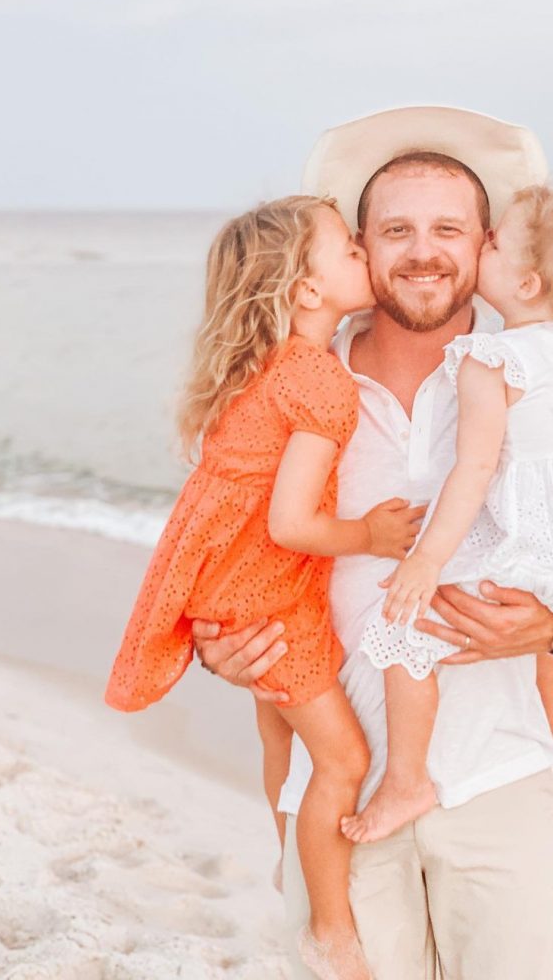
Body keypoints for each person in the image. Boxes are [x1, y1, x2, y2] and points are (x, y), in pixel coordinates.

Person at [193, 107, 553, 979]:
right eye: (396, 230)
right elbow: (224, 550)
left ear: (488, 246)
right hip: (336, 788)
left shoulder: (541, 374)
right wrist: (220, 646)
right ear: (359, 248)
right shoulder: (297, 386)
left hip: (495, 774)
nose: (423, 251)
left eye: (448, 229)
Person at [103, 195, 424, 980]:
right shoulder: (320, 382)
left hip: (235, 587)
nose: (362, 250)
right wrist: (370, 537)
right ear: (306, 291)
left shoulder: (264, 370)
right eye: (348, 250)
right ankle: (330, 926)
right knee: (344, 762)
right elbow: (290, 523)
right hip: (269, 597)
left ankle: (290, 856)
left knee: (280, 737)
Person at [343, 184, 553, 844]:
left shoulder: (491, 359)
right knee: (550, 616)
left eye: (489, 241)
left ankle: (406, 779)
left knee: (403, 632)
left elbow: (473, 471)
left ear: (524, 279)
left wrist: (425, 562)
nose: (481, 247)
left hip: (531, 540)